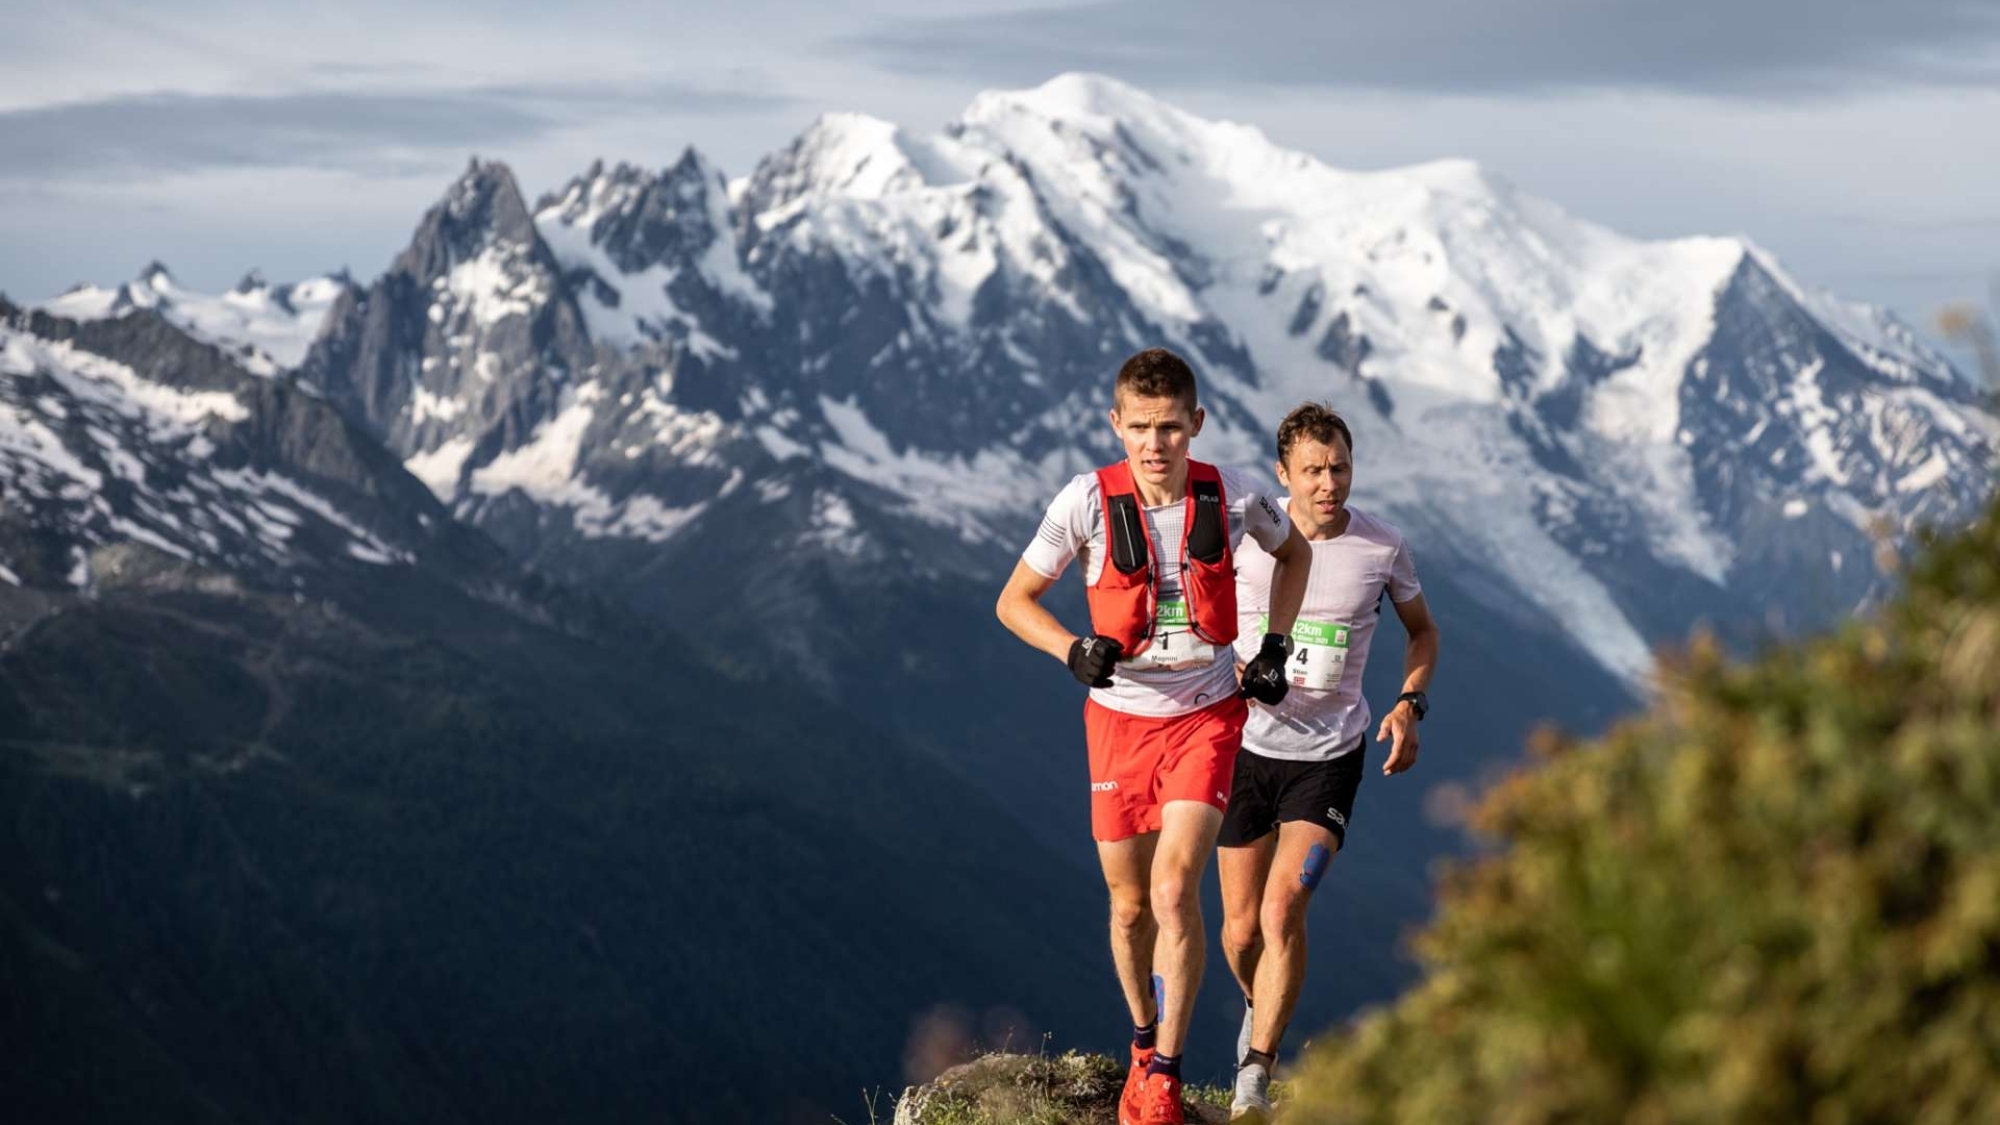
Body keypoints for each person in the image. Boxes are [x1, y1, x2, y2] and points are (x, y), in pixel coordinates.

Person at [995, 348, 1310, 1125]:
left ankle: (1164, 1075)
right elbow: (1014, 600)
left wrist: (1273, 647)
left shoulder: (1232, 492)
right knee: (1131, 906)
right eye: (1139, 426)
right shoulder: (1085, 503)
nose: (1155, 443)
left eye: (1170, 427)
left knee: (1175, 889)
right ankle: (1143, 1039)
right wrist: (1071, 647)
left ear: (1195, 424)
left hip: (1207, 714)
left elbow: (1295, 551)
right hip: (1117, 722)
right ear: (1116, 424)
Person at [1217, 402, 1440, 1122]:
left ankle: (1255, 1075)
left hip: (1328, 758)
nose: (1328, 483)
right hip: (1244, 751)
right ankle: (1262, 1005)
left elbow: (1423, 633)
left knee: (1284, 910)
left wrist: (1410, 704)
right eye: (1312, 470)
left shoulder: (1382, 546)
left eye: (1339, 467)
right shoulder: (1251, 536)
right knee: (1240, 930)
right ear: (1283, 475)